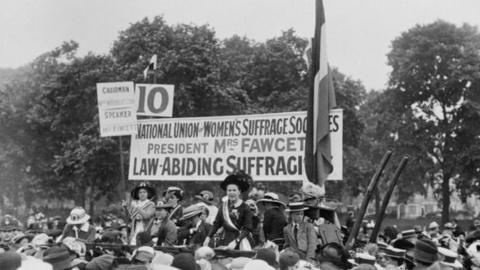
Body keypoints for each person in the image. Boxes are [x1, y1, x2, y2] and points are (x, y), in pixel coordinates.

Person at [204, 171, 253, 251]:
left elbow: (247, 228)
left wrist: (236, 241)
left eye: (234, 190)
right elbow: (216, 224)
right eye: (229, 190)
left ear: (239, 191)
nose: (231, 193)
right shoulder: (223, 206)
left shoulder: (245, 207)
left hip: (241, 240)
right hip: (225, 239)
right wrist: (208, 237)